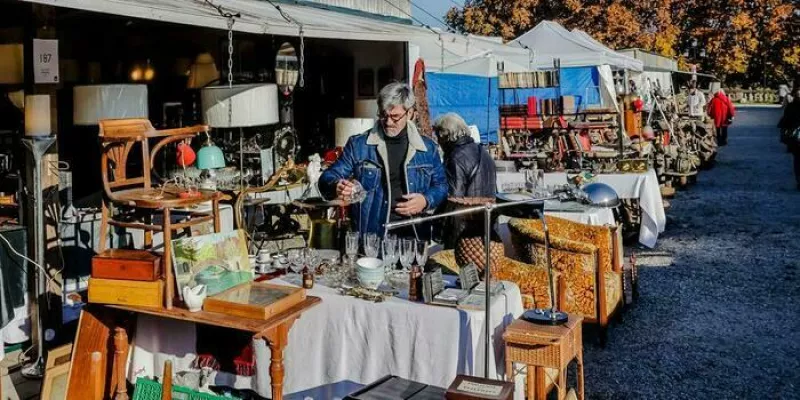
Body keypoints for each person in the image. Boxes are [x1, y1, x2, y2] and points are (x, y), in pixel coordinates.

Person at [319, 82, 447, 238]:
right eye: (383, 115)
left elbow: (441, 185)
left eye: (395, 117)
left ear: (411, 113)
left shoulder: (428, 148)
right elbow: (327, 178)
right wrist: (336, 186)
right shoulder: (359, 145)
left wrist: (426, 200)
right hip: (372, 236)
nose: (388, 122)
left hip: (414, 236)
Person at [434, 113, 496, 198]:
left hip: (467, 210)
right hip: (487, 208)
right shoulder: (483, 151)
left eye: (438, 137)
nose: (438, 142)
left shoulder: (455, 158)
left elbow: (455, 197)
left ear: (445, 136)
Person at [779, 88, 800, 189]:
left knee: (797, 159)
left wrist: (784, 136)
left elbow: (784, 122)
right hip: (796, 137)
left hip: (795, 138)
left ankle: (799, 180)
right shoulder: (791, 107)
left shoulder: (791, 106)